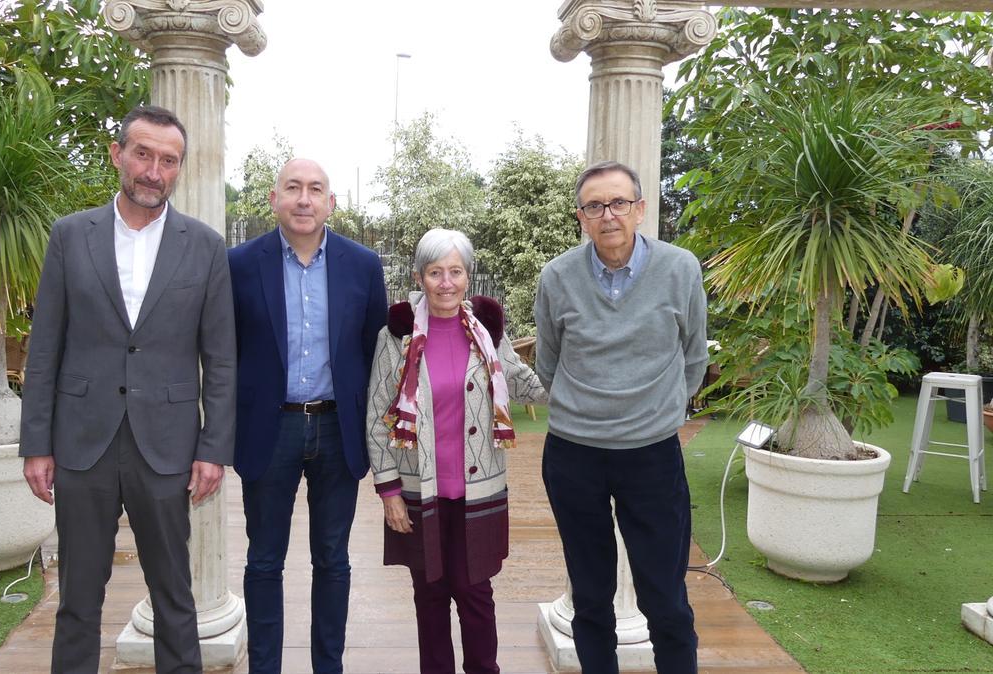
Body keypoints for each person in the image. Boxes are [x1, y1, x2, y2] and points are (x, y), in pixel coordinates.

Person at [19, 105, 236, 674]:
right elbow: (44, 349)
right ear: (118, 155)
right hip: (81, 443)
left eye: (168, 161)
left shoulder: (206, 246)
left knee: (174, 597)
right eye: (143, 154)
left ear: (179, 169)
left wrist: (214, 448)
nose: (154, 171)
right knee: (77, 599)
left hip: (166, 448)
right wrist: (36, 443)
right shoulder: (70, 235)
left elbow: (221, 359)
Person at [533, 160, 707, 674]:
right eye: (594, 206)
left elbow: (694, 356)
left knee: (665, 600)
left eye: (618, 203)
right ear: (581, 217)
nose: (607, 215)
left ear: (640, 208)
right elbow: (549, 361)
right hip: (573, 455)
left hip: (651, 456)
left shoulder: (680, 269)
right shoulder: (557, 276)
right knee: (590, 598)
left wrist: (656, 412)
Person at [227, 158, 387, 673]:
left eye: (315, 189)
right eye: (292, 188)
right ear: (273, 199)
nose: (303, 198)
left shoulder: (362, 265)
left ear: (330, 203)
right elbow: (225, 351)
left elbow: (374, 351)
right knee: (263, 561)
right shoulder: (240, 264)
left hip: (337, 429)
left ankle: (328, 666)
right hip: (269, 429)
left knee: (333, 561)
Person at [366, 228, 548, 674]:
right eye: (435, 272)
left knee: (475, 596)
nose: (446, 282)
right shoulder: (397, 335)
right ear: (419, 276)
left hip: (478, 490)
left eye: (455, 271)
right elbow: (375, 416)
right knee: (429, 597)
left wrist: (575, 380)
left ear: (468, 276)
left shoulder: (486, 330)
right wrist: (388, 491)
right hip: (418, 491)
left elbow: (521, 380)